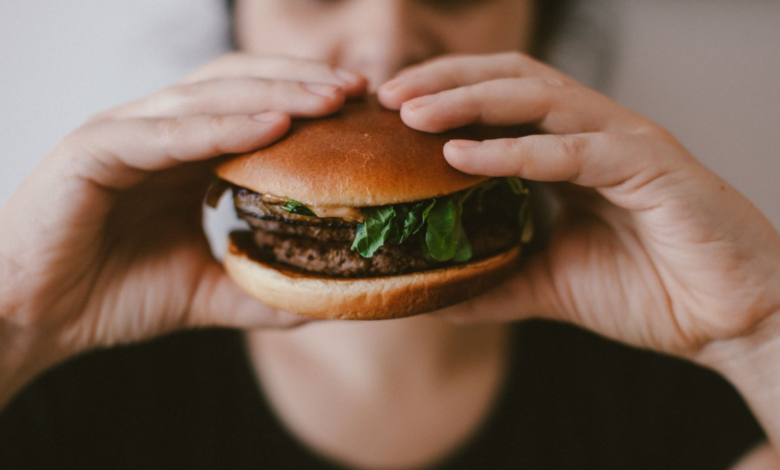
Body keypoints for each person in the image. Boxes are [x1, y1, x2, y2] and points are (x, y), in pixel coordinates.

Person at [1, 0, 779, 468]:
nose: (384, 46)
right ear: (236, 19)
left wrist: (761, 333)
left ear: (534, 24)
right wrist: (18, 322)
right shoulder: (70, 384)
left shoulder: (671, 388)